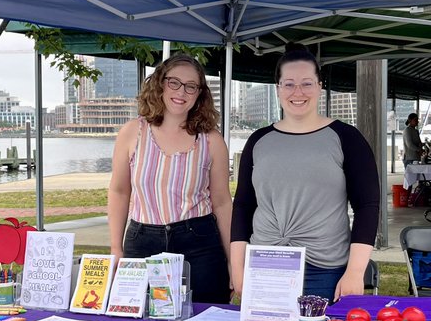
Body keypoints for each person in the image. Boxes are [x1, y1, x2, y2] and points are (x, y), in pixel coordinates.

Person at [230, 48, 380, 302]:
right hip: (266, 265)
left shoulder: (347, 138)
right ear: (278, 88)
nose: (297, 92)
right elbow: (244, 206)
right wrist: (237, 269)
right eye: (289, 84)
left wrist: (355, 271)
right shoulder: (259, 140)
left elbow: (367, 206)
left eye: (306, 84)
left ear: (320, 86)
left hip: (324, 269)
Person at [108, 53, 232, 304]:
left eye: (191, 86)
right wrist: (115, 249)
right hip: (142, 243)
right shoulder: (133, 132)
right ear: (160, 83)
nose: (181, 92)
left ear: (200, 94)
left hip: (200, 245)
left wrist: (233, 260)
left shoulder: (211, 140)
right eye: (173, 82)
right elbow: (119, 191)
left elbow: (222, 202)